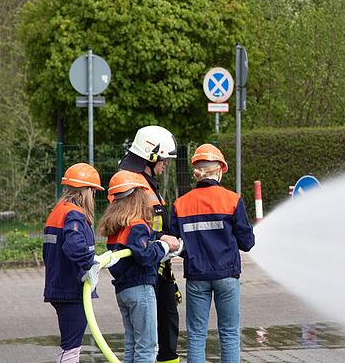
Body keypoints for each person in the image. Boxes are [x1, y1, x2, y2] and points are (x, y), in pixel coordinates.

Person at [170, 144, 255, 363]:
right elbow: (247, 243)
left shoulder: (180, 204)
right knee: (228, 333)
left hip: (196, 276)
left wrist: (195, 254)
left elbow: (175, 244)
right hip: (227, 275)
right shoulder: (232, 200)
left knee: (196, 335)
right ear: (219, 170)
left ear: (196, 171)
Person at [98, 170, 181, 363]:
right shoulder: (136, 224)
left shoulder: (116, 226)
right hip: (140, 289)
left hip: (123, 290)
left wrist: (158, 238)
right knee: (147, 347)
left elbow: (139, 244)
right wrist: (165, 246)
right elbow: (145, 256)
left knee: (132, 345)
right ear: (137, 197)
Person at [119, 125, 182, 363]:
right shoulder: (130, 184)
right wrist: (161, 241)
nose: (164, 164)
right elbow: (130, 229)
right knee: (146, 342)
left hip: (159, 268)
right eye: (163, 159)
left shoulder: (148, 185)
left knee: (167, 328)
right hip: (144, 270)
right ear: (151, 156)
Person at [43, 163, 104, 363]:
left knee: (70, 346)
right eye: (93, 191)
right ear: (86, 191)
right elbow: (74, 246)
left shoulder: (58, 211)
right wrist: (90, 265)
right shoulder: (74, 215)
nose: (94, 196)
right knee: (71, 349)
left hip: (59, 286)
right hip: (71, 290)